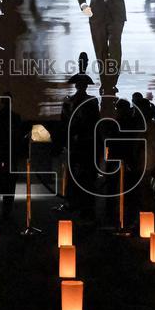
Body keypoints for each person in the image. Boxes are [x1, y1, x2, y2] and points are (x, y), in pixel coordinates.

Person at [60, 54, 100, 220]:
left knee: (84, 176)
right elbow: (64, 123)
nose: (80, 85)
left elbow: (93, 123)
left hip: (85, 143)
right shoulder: (70, 101)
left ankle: (84, 205)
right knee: (76, 174)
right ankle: (75, 202)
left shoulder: (88, 102)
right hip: (78, 143)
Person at [0, 93, 25, 222]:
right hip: (10, 154)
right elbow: (18, 137)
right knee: (9, 182)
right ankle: (7, 210)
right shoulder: (16, 117)